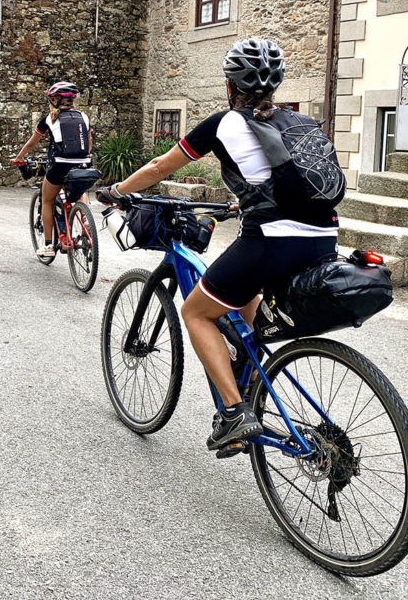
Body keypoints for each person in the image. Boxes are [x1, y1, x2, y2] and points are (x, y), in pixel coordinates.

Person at [97, 38, 339, 452]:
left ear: (231, 86)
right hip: (323, 240)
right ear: (275, 87)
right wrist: (239, 201)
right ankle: (247, 383)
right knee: (247, 314)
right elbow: (280, 179)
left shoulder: (223, 124)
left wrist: (117, 190)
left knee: (196, 313)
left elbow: (159, 167)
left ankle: (233, 413)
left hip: (271, 241)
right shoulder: (296, 122)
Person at [12, 82, 92, 258]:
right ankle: (85, 218)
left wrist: (19, 157)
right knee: (80, 188)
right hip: (84, 163)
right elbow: (88, 143)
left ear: (54, 101)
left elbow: (32, 143)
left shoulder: (49, 119)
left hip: (60, 164)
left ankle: (48, 245)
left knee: (47, 200)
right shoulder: (84, 117)